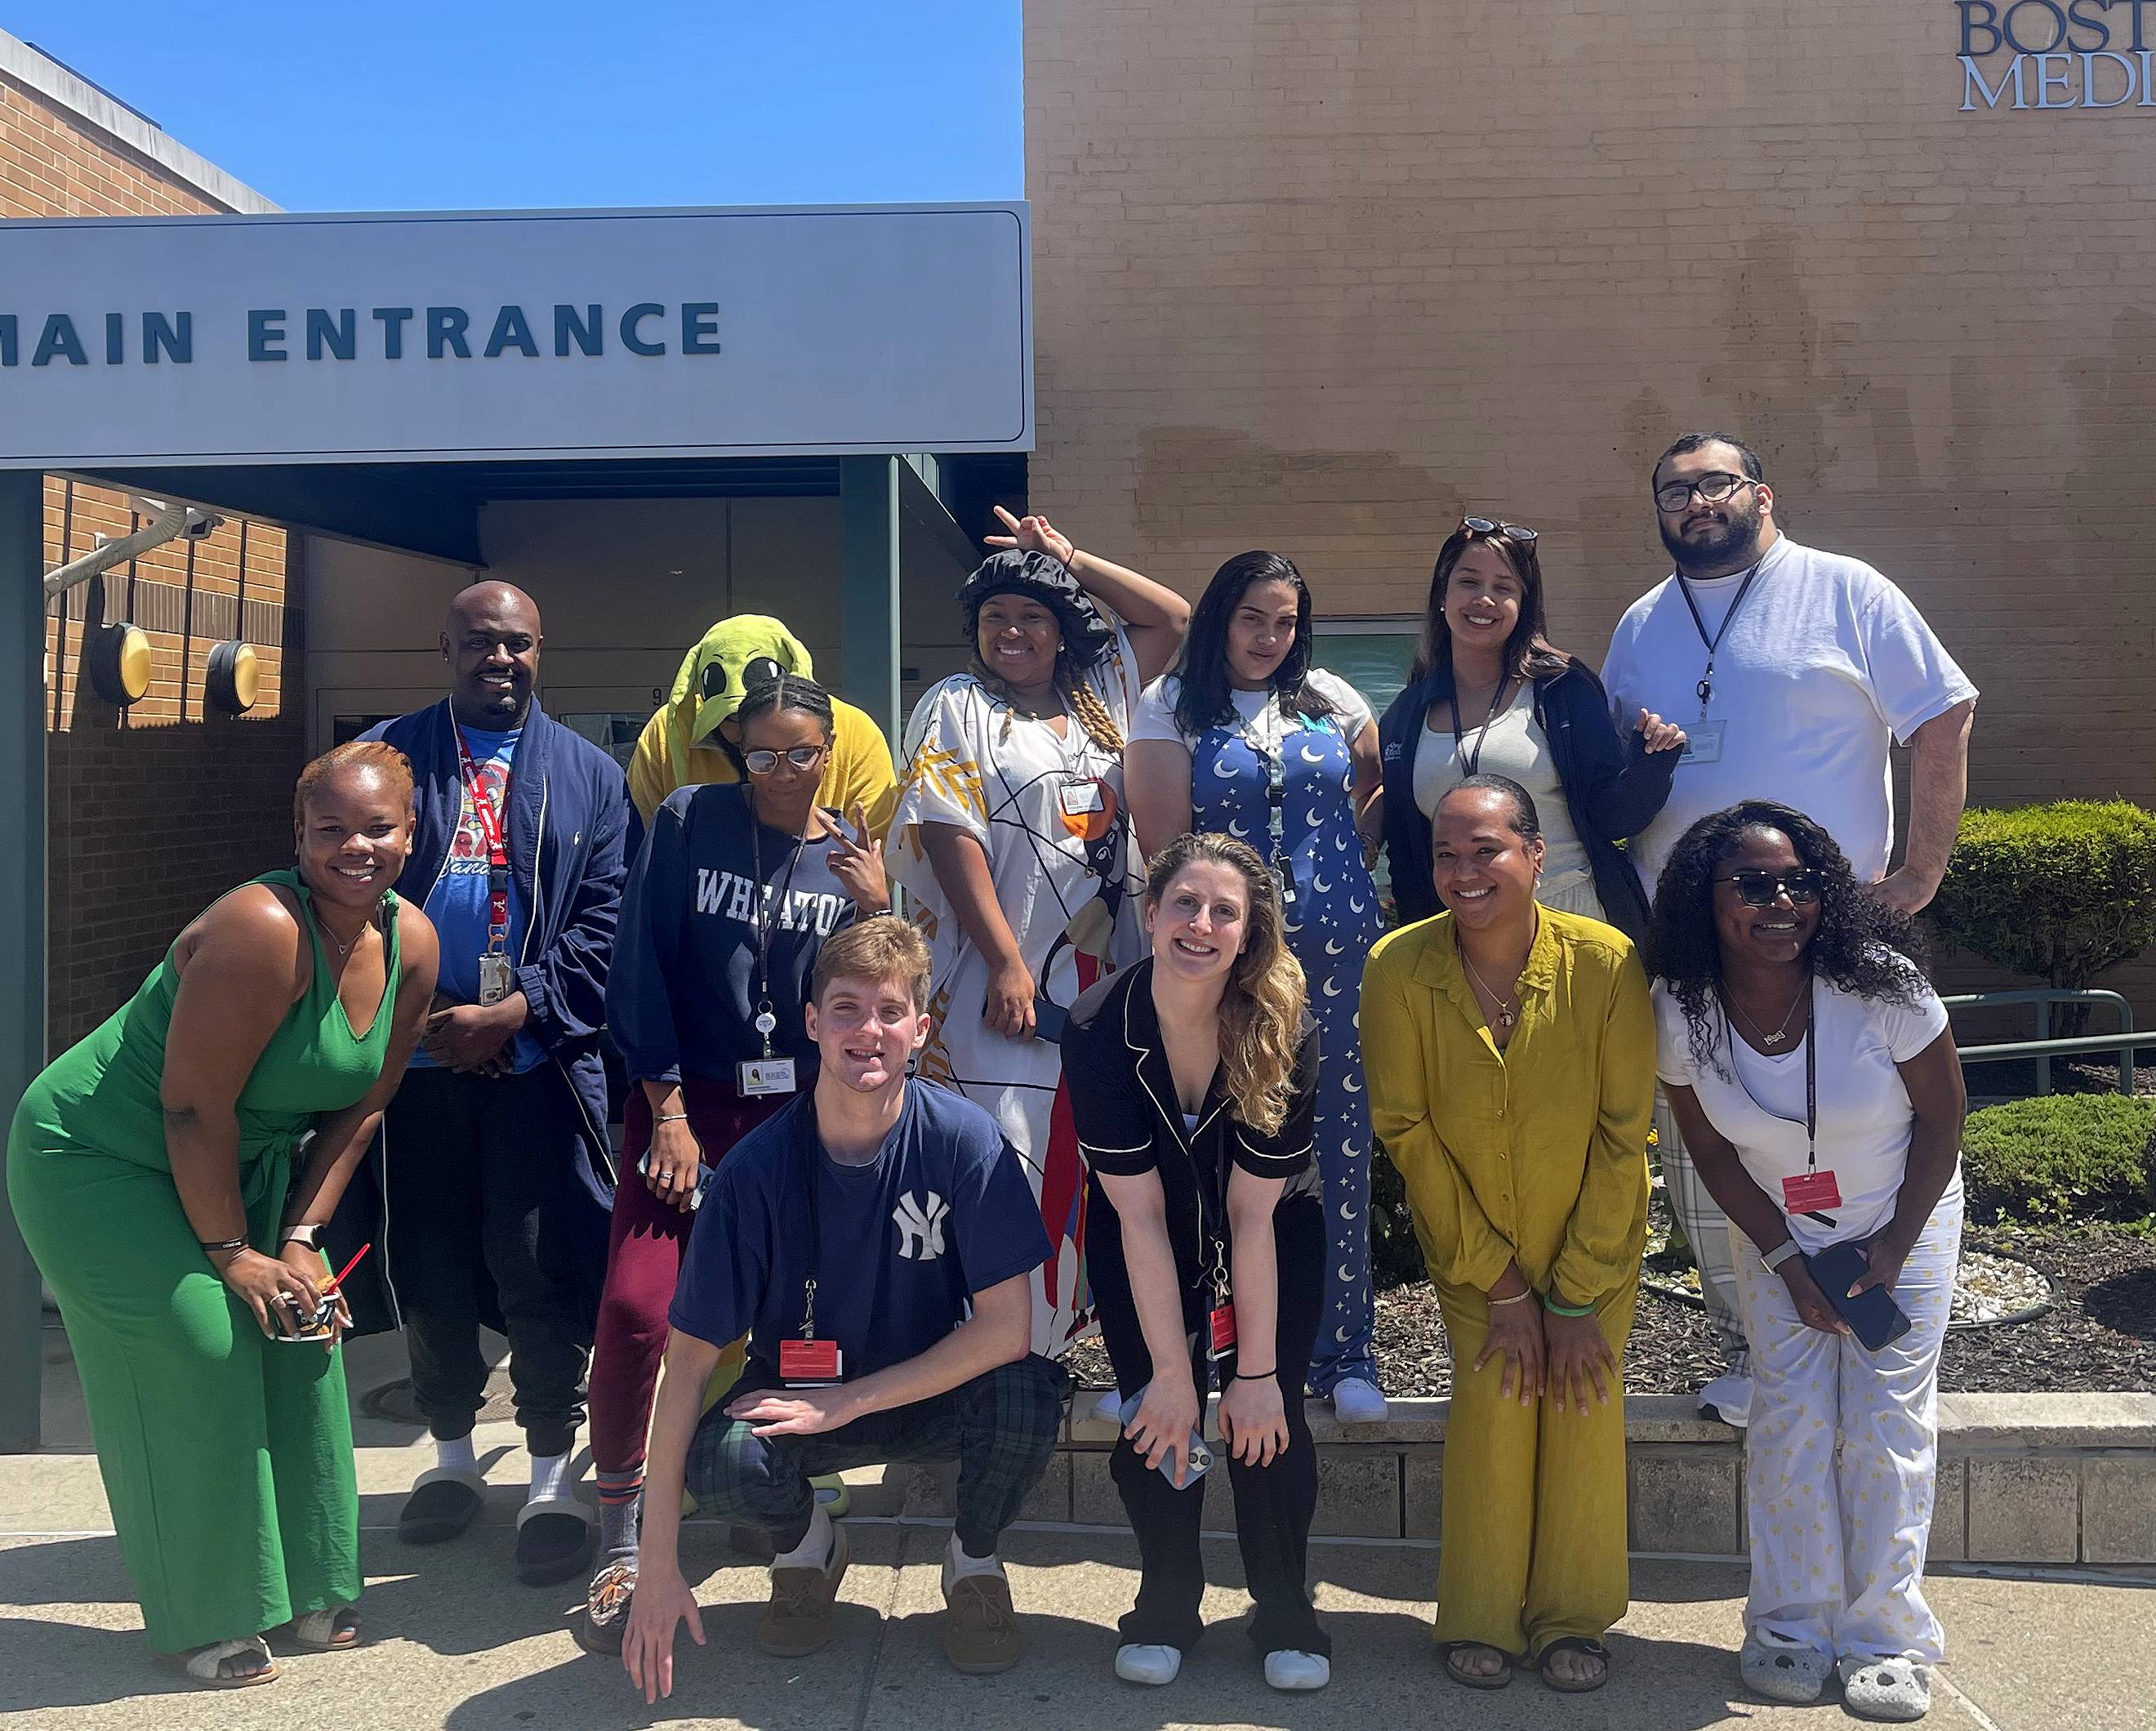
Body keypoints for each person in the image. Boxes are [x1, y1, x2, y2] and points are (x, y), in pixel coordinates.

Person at [7, 743, 439, 1686]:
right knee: (201, 1345)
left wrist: (298, 1242)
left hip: (234, 1163)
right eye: (331, 829)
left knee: (301, 1327)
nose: (355, 847)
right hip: (100, 1158)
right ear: (298, 835)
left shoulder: (414, 943)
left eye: (378, 828)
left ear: (411, 831)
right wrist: (231, 1253)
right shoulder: (260, 927)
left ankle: (310, 1586)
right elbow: (190, 1108)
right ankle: (204, 1610)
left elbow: (361, 1107)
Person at [1601, 433, 1978, 1426]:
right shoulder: (1643, 624)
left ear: (1761, 494)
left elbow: (1943, 714)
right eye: (1675, 489)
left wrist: (1920, 874)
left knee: (1860, 1132)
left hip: (1828, 935)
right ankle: (1759, 1350)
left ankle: (1875, 1310)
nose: (1695, 503)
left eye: (1714, 483)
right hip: (1696, 951)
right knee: (1716, 1150)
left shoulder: (1847, 590)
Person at [620, 918, 1067, 1699]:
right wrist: (655, 1564)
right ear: (812, 1024)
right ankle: (807, 1548)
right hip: (796, 1399)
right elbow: (685, 1364)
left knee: (1028, 1392)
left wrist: (848, 1402)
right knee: (721, 1459)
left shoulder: (964, 1142)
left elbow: (1008, 1326)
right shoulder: (754, 1173)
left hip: (921, 1393)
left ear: (920, 1029)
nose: (869, 1030)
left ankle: (973, 1561)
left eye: (890, 1011)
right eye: (846, 1008)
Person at [581, 672, 889, 1653]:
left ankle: (792, 1502)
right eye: (763, 755)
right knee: (640, 1308)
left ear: (830, 747)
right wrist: (664, 1105)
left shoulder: (845, 847)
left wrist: (876, 907)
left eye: (803, 752)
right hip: (689, 1104)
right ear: (735, 756)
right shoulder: (687, 818)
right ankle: (621, 1528)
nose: (784, 773)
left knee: (798, 1317)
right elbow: (640, 963)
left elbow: (872, 1002)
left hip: (797, 1119)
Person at [1652, 801, 1966, 1723]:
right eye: (1752, 883)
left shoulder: (1883, 985)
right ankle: (1789, 1626)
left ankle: (1888, 1639)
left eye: (1799, 881)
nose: (1780, 901)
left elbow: (1944, 1122)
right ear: (1704, 901)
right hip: (1780, 1233)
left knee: (1883, 1426)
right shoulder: (1682, 1007)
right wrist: (1791, 1262)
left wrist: (1892, 1247)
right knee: (1788, 1420)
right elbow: (1711, 1155)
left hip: (1900, 1217)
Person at [359, 581, 631, 1586]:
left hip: (537, 1068)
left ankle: (553, 1472)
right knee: (429, 1263)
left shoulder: (591, 777)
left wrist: (515, 1012)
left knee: (538, 1267)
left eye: (516, 643)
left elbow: (608, 924)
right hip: (417, 1064)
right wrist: (426, 1022)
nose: (499, 660)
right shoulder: (385, 759)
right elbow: (345, 892)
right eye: (479, 643)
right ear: (446, 646)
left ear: (541, 646)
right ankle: (449, 1456)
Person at [1361, 776, 1653, 1696]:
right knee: (1496, 1411)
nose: (1462, 870)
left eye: (1485, 848)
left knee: (1577, 1407)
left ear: (1534, 854)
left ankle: (1572, 1618)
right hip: (1471, 1252)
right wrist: (1503, 1283)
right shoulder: (1398, 969)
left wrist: (1570, 1293)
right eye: (1445, 852)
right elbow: (1404, 1128)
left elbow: (1623, 1133)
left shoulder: (1607, 965)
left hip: (1593, 1253)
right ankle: (1481, 1615)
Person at [889, 505, 1190, 1355]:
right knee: (1009, 1163)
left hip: (1106, 987)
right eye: (994, 618)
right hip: (1003, 994)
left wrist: (1067, 554)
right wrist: (1005, 964)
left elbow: (1171, 617)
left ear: (1063, 632)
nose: (1012, 632)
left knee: (1096, 1165)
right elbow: (950, 834)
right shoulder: (959, 706)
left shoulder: (1106, 701)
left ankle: (1055, 1351)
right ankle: (1001, 1356)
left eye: (1031, 616)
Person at [1124, 551, 1388, 1423]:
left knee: (1342, 1148)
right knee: (1229, 1153)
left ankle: (1346, 1352)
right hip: (1231, 964)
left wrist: (1340, 892)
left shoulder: (1331, 697)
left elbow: (1371, 798)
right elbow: (1166, 848)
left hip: (1340, 964)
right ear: (1218, 620)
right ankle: (1216, 1351)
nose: (1269, 638)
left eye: (1284, 621)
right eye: (1251, 619)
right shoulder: (1171, 707)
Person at [1065, 833, 1331, 1693]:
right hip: (1144, 1230)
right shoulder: (1097, 1022)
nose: (1201, 923)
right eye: (1185, 902)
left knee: (1268, 1413)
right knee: (1161, 1412)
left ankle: (1286, 1609)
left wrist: (1249, 1373)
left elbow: (1251, 1218)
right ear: (1150, 913)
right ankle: (1166, 1603)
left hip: (1269, 1230)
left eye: (1226, 911)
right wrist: (1175, 1376)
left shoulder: (1285, 1026)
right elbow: (1137, 1213)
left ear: (1250, 933)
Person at [1377, 516, 1685, 953]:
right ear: (1442, 596)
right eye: (1469, 581)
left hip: (1574, 924)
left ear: (1523, 603)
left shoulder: (1562, 688)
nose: (1485, 599)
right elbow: (1408, 855)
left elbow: (1613, 817)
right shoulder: (1407, 715)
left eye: (1504, 587)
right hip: (1462, 937)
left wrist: (1651, 767)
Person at [625, 613, 898, 841]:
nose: (749, 739)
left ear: (828, 744)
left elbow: (873, 850)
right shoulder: (669, 731)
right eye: (731, 719)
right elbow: (643, 840)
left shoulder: (856, 731)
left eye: (801, 753)